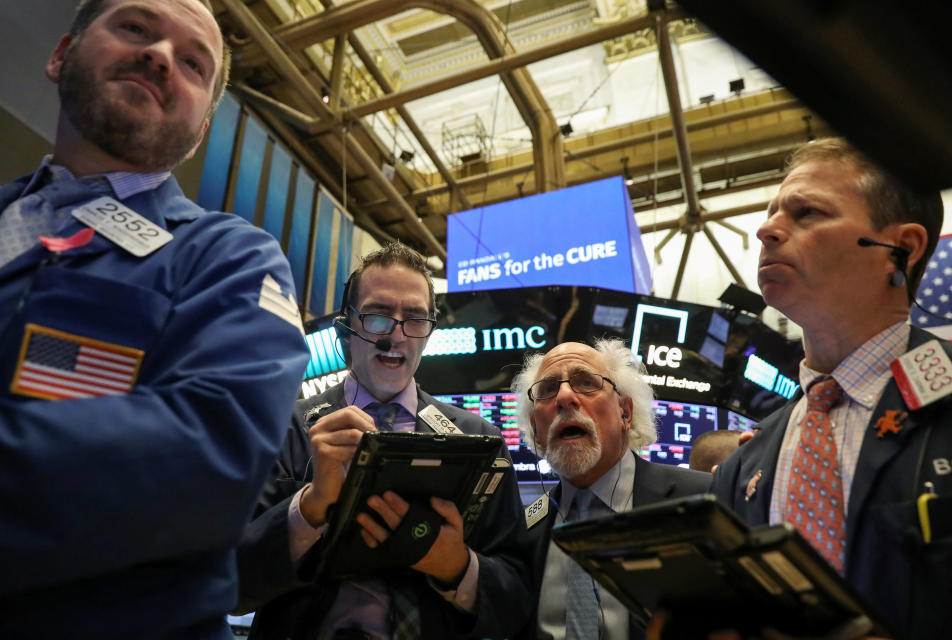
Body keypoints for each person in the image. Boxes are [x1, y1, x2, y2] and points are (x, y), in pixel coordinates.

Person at [0, 0, 309, 637]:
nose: (161, 56)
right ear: (61, 55)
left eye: (194, 63)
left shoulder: (233, 259)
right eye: (136, 28)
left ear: (200, 127)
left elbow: (210, 459)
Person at [708, 137, 952, 640]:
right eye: (773, 211)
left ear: (900, 251)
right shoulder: (741, 469)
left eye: (807, 213)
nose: (765, 228)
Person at [235, 241, 535, 639]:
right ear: (347, 326)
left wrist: (457, 566)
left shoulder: (479, 440)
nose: (396, 335)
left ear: (428, 333)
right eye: (377, 316)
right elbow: (230, 584)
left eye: (414, 318)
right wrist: (307, 509)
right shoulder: (282, 428)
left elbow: (517, 597)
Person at [512, 339, 711, 639]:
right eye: (548, 390)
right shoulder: (523, 529)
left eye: (586, 382)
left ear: (625, 413)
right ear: (537, 431)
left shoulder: (704, 500)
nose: (565, 397)